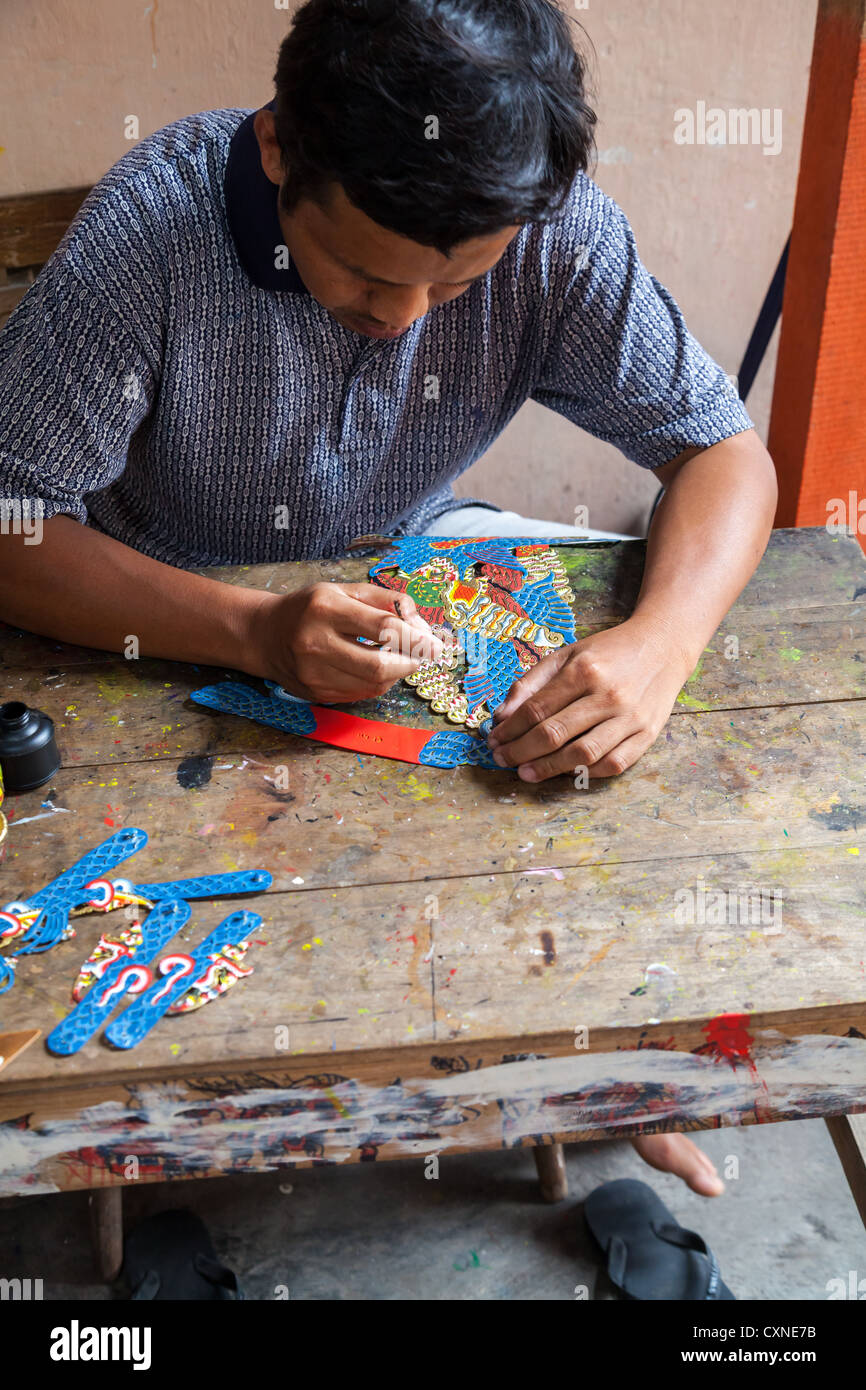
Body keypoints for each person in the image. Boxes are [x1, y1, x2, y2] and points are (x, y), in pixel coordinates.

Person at [0, 0, 776, 1198]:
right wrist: (251, 628)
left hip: (413, 565)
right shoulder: (152, 231)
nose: (403, 316)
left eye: (457, 281)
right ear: (276, 150)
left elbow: (724, 454)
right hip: (158, 612)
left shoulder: (551, 229)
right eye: (362, 271)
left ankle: (580, 1065)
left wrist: (660, 646)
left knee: (563, 786)